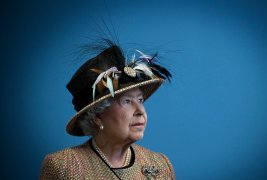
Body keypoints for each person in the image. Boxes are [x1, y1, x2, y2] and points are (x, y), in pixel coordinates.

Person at [40, 41, 175, 179]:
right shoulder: (63, 167)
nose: (141, 110)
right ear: (97, 116)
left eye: (140, 100)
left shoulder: (161, 165)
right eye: (127, 101)